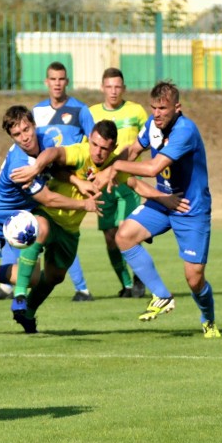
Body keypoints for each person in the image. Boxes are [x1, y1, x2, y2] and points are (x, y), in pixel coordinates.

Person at [10, 120, 189, 334]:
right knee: (41, 228)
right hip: (48, 215)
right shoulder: (80, 152)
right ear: (89, 140)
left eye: (104, 148)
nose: (98, 152)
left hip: (70, 230)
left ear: (113, 149)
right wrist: (37, 168)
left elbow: (136, 184)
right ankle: (19, 294)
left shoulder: (113, 166)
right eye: (95, 145)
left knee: (55, 277)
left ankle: (27, 314)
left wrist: (165, 198)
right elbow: (53, 153)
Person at [0, 105, 101, 335]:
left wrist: (78, 181)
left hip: (21, 219)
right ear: (11, 137)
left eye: (26, 129)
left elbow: (53, 168)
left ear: (34, 125)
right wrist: (84, 204)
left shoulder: (45, 139)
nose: (25, 137)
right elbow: (49, 199)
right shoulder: (19, 165)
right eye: (17, 134)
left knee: (33, 278)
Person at [92, 81, 219, 338]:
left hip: (189, 207)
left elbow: (152, 168)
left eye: (163, 108)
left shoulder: (185, 131)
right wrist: (105, 170)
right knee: (123, 236)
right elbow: (133, 151)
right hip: (162, 201)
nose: (157, 113)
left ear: (177, 107)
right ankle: (161, 295)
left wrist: (115, 169)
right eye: (154, 108)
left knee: (194, 279)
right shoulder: (151, 125)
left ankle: (208, 320)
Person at [31, 61, 97, 302]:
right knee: (27, 229)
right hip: (40, 183)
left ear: (66, 82)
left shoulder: (81, 110)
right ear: (46, 82)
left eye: (61, 79)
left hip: (69, 184)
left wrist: (91, 173)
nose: (57, 84)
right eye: (53, 79)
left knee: (61, 232)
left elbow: (94, 146)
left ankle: (80, 287)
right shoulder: (36, 112)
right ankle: (7, 279)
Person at [89, 68, 147, 299]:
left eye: (117, 86)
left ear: (123, 88)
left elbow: (151, 137)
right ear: (102, 88)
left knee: (128, 230)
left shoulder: (137, 111)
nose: (113, 91)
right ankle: (125, 284)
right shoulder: (91, 113)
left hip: (128, 180)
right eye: (109, 86)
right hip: (103, 184)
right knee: (110, 237)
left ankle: (140, 278)